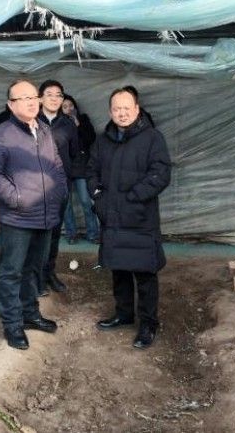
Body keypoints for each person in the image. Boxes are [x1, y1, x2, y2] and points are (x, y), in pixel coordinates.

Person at [0, 79, 67, 350]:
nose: (31, 102)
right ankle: (12, 325)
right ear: (11, 104)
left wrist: (60, 190)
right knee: (11, 272)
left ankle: (30, 314)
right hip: (18, 218)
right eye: (23, 98)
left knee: (34, 269)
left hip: (45, 214)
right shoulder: (2, 134)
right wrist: (16, 198)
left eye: (34, 97)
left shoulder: (43, 129)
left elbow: (56, 164)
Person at [89, 87, 171, 349]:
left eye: (127, 108)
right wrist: (98, 197)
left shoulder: (152, 138)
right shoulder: (103, 140)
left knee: (145, 273)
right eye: (117, 109)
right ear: (110, 111)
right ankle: (123, 314)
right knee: (119, 269)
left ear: (136, 109)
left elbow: (160, 174)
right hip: (112, 217)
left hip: (140, 217)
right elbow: (92, 170)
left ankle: (148, 324)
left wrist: (134, 197)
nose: (122, 113)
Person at [37, 80, 79, 294]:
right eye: (49, 94)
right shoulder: (31, 121)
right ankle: (36, 277)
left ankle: (49, 273)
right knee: (37, 234)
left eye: (58, 95)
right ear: (40, 98)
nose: (54, 98)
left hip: (60, 188)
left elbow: (74, 153)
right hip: (35, 189)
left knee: (54, 233)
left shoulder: (68, 124)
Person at [60, 94, 99, 245]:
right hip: (64, 167)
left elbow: (91, 139)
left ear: (75, 106)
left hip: (81, 166)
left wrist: (78, 125)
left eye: (71, 105)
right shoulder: (58, 123)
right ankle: (71, 234)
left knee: (86, 201)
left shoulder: (83, 119)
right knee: (66, 204)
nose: (69, 109)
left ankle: (93, 233)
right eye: (65, 107)